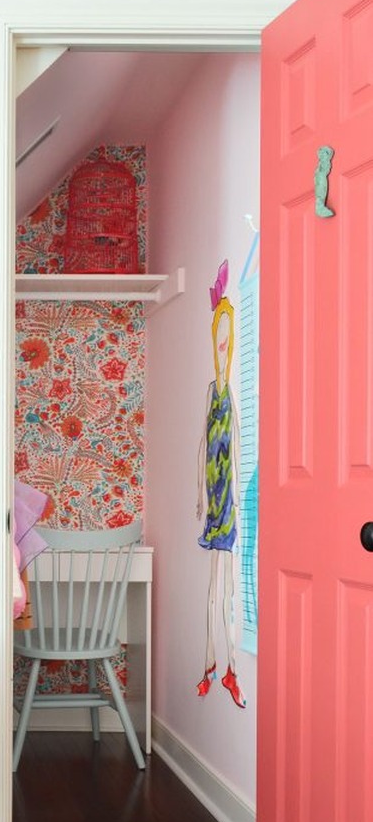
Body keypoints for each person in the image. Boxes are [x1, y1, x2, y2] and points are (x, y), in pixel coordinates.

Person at [196, 263, 246, 709]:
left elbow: (240, 448)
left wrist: (231, 497)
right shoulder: (214, 390)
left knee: (228, 588)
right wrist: (199, 492)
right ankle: (212, 665)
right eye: (220, 335)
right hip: (213, 500)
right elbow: (200, 448)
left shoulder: (229, 395)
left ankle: (230, 667)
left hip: (226, 500)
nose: (223, 343)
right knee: (214, 589)